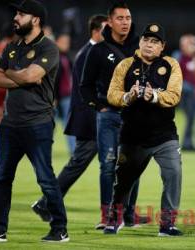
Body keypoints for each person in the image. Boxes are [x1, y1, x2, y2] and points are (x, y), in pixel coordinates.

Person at [0, 0, 69, 242]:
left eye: (21, 14)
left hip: (37, 123)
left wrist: (15, 74)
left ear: (35, 19)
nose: (16, 18)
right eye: (16, 13)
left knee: (45, 179)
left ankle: (59, 229)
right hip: (9, 124)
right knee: (1, 179)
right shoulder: (12, 47)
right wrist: (22, 77)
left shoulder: (48, 48)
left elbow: (32, 75)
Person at [104, 23, 183, 236]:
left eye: (155, 42)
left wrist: (154, 96)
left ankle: (167, 225)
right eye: (146, 40)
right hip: (133, 136)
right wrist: (127, 97)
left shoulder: (171, 65)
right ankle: (115, 218)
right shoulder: (125, 65)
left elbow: (175, 95)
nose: (149, 45)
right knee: (123, 181)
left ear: (162, 46)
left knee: (174, 173)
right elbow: (112, 94)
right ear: (140, 42)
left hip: (164, 134)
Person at [31, 14, 107, 223]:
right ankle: (46, 202)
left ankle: (121, 213)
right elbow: (87, 92)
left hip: (99, 120)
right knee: (79, 164)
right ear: (96, 31)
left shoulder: (95, 52)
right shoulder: (88, 53)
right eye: (107, 29)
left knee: (119, 164)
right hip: (92, 120)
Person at [80, 2, 146, 229]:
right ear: (109, 22)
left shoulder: (141, 48)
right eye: (120, 18)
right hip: (108, 117)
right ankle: (106, 215)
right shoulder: (97, 50)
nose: (125, 22)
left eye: (128, 18)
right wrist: (99, 106)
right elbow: (85, 86)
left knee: (133, 166)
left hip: (135, 118)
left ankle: (128, 215)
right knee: (108, 165)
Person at [54, 33, 76, 154]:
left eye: (67, 42)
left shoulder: (66, 57)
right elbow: (53, 80)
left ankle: (74, 151)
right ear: (57, 42)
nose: (66, 44)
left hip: (67, 96)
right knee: (46, 125)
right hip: (57, 97)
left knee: (69, 124)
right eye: (63, 42)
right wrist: (53, 97)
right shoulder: (54, 57)